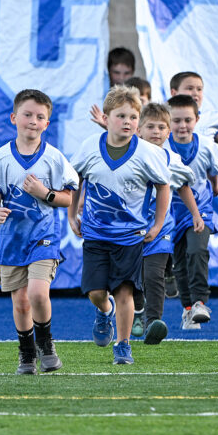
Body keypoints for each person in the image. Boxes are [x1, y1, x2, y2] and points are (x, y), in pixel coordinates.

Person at [68, 85, 170, 366]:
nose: (128, 122)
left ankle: (123, 345)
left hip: (130, 237)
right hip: (96, 234)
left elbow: (164, 187)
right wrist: (71, 214)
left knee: (125, 290)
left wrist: (158, 223)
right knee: (96, 292)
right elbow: (75, 178)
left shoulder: (147, 153)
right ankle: (104, 311)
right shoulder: (90, 146)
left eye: (133, 117)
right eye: (121, 115)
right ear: (107, 117)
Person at [0, 89, 77, 375]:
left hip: (43, 235)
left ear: (47, 123)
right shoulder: (2, 157)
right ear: (14, 118)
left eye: (40, 117)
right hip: (12, 239)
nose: (33, 121)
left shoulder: (54, 158)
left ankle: (46, 343)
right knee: (20, 302)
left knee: (36, 293)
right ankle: (26, 351)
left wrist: (44, 193)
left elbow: (68, 197)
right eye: (28, 114)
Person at [135, 101, 202, 340]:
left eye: (162, 127)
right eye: (150, 127)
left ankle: (153, 322)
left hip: (161, 227)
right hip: (130, 228)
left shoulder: (170, 158)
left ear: (168, 131)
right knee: (132, 278)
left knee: (153, 275)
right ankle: (136, 311)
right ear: (138, 130)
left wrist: (195, 214)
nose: (156, 132)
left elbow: (183, 186)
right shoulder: (130, 154)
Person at [167, 94, 218, 333]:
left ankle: (201, 302)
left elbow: (212, 171)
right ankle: (188, 308)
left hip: (201, 211)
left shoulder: (206, 147)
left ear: (197, 119)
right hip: (172, 213)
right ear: (168, 121)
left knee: (197, 250)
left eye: (187, 120)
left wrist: (216, 187)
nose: (182, 126)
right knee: (179, 264)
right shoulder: (161, 147)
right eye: (176, 120)